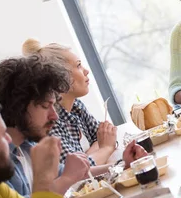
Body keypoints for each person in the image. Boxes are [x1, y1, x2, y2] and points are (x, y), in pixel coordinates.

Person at [0, 55, 147, 198]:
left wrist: (122, 166)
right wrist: (66, 180)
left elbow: (76, 174)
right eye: (45, 106)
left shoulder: (27, 146)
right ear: (19, 107)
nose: (54, 116)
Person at [22, 38, 119, 166]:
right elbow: (74, 171)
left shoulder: (76, 106)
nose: (86, 71)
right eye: (78, 65)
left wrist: (94, 154)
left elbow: (106, 138)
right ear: (59, 77)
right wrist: (105, 149)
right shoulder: (48, 123)